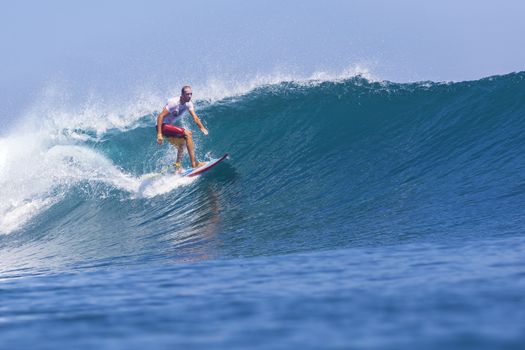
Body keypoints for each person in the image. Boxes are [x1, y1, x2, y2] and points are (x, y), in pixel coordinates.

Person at [156, 86, 208, 169]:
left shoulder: (189, 103)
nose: (190, 96)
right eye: (187, 94)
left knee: (182, 144)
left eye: (191, 94)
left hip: (168, 127)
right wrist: (159, 134)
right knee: (188, 134)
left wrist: (202, 127)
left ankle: (177, 168)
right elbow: (160, 116)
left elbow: (195, 117)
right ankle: (195, 164)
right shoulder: (174, 103)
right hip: (162, 126)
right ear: (182, 95)